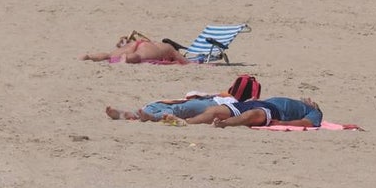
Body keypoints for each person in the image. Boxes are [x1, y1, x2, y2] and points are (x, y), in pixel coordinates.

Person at [106, 75, 261, 121]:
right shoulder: (230, 98)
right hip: (209, 102)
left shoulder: (235, 102)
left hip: (211, 105)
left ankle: (150, 117)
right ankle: (127, 113)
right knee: (164, 103)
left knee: (178, 109)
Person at [176, 96, 324, 128]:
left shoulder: (315, 113)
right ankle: (188, 122)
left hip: (273, 111)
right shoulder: (300, 103)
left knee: (252, 115)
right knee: (214, 110)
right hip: (258, 102)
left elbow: (307, 123)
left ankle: (223, 124)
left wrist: (282, 123)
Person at [80, 36, 185, 63]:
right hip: (147, 47)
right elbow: (183, 60)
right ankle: (127, 58)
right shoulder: (170, 48)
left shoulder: (155, 42)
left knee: (109, 55)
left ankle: (88, 56)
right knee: (139, 56)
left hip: (139, 41)